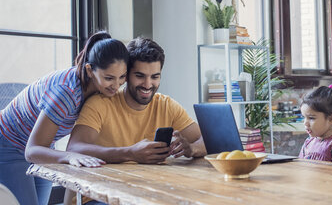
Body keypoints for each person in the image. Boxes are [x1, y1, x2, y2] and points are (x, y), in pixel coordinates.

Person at [0, 31, 129, 205]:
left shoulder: (97, 89)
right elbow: (31, 151)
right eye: (109, 78)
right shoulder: (67, 92)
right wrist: (70, 156)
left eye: (122, 77)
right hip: (9, 143)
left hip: (43, 145)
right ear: (90, 70)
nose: (116, 86)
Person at [67, 37, 206, 166]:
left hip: (145, 188)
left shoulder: (167, 106)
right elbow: (75, 147)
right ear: (125, 75)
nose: (147, 84)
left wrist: (192, 149)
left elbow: (209, 140)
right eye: (140, 76)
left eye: (155, 77)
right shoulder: (99, 104)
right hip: (96, 190)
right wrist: (130, 153)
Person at [298, 82, 332, 164]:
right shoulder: (308, 142)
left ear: (331, 119)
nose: (305, 123)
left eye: (311, 118)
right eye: (304, 117)